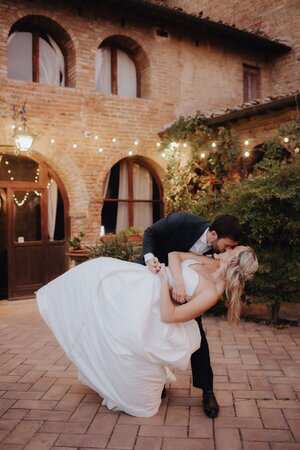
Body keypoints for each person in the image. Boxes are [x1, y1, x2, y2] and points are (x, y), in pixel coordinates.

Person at [37, 244, 257, 418]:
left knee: (125, 347)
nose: (226, 249)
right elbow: (176, 255)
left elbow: (169, 316)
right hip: (141, 281)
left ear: (234, 262)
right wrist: (176, 279)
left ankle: (123, 385)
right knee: (99, 272)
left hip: (151, 306)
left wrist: (164, 279)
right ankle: (54, 301)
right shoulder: (211, 262)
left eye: (232, 251)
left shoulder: (212, 293)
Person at [138, 212, 243, 418]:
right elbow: (151, 232)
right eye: (228, 245)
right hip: (153, 278)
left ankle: (207, 391)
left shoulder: (219, 256)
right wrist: (149, 259)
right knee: (150, 335)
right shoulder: (183, 221)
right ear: (213, 235)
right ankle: (156, 384)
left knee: (198, 339)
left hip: (187, 295)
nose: (229, 250)